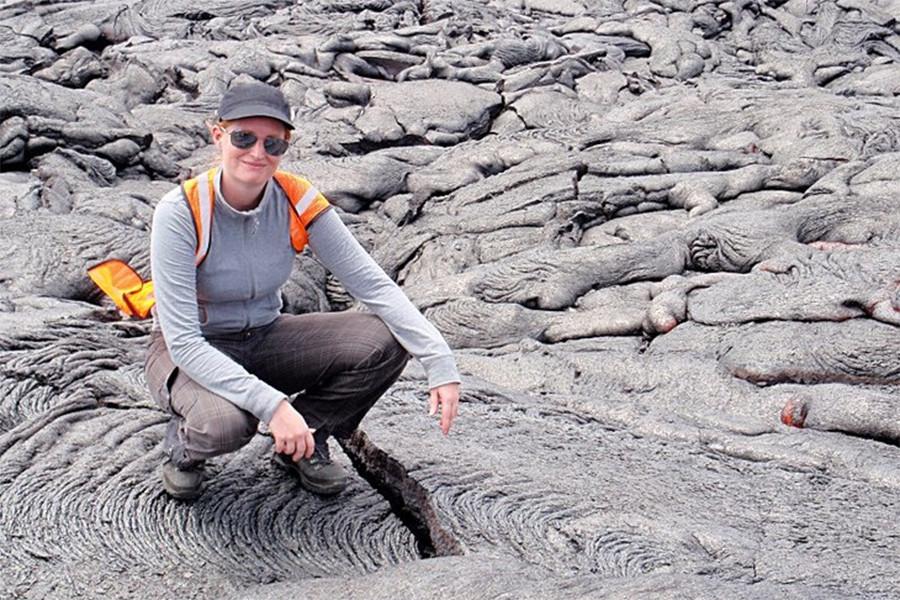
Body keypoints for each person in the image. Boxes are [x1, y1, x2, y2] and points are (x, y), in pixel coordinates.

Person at [144, 80, 461, 500]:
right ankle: (183, 447)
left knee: (385, 340)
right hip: (190, 348)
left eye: (273, 144)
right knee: (227, 424)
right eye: (244, 137)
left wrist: (439, 360)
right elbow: (183, 340)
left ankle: (306, 440)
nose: (258, 153)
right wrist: (274, 407)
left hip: (265, 335)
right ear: (217, 134)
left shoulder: (295, 198)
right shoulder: (180, 212)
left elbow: (371, 283)